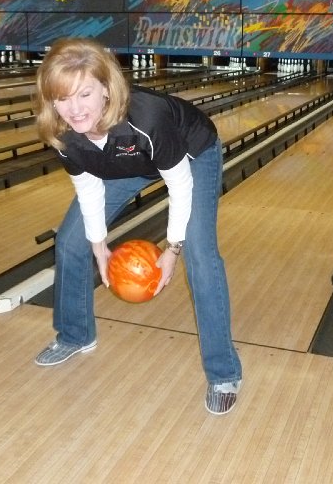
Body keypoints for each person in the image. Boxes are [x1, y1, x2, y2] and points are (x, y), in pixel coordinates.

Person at [32, 37, 242, 415]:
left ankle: (223, 372)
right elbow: (88, 184)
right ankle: (75, 335)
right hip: (125, 164)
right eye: (62, 98)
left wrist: (172, 249)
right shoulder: (61, 130)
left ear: (106, 89)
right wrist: (98, 245)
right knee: (70, 241)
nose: (74, 109)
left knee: (199, 253)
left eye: (84, 94)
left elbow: (178, 184)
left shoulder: (146, 117)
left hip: (191, 154)